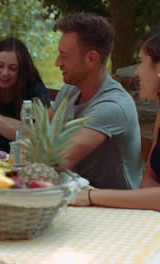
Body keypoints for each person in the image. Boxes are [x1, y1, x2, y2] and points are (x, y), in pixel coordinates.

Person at [0, 13, 142, 189]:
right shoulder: (71, 90)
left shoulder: (111, 106)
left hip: (111, 207)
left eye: (63, 55)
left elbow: (58, 161)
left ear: (91, 58)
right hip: (71, 193)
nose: (57, 62)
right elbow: (32, 132)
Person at [72, 28, 160, 210]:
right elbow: (150, 180)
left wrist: (91, 195)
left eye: (142, 62)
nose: (137, 72)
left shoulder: (114, 104)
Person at [0, 37, 50, 152]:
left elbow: (37, 136)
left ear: (23, 71)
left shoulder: (36, 90)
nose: (5, 73)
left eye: (13, 68)